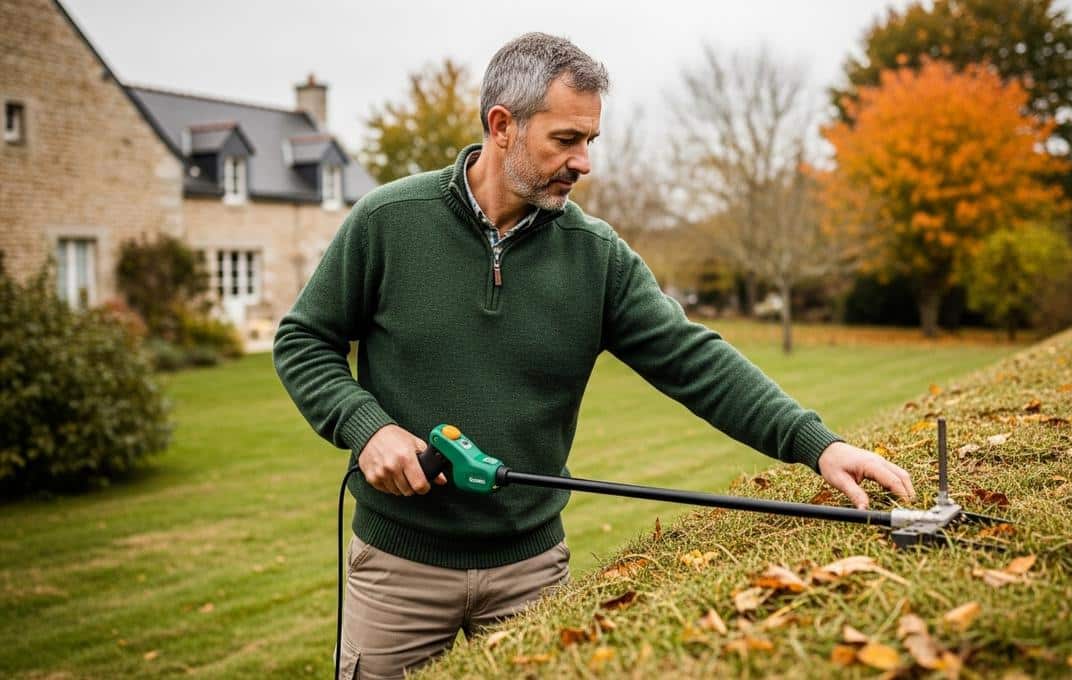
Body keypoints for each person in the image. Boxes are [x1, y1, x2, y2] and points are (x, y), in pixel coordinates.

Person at [274, 32, 914, 677]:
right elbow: (303, 340)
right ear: (502, 126)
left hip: (531, 572)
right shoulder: (389, 222)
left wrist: (818, 445)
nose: (584, 162)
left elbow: (695, 361)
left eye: (590, 142)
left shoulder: (595, 255)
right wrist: (368, 429)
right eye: (566, 140)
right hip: (396, 571)